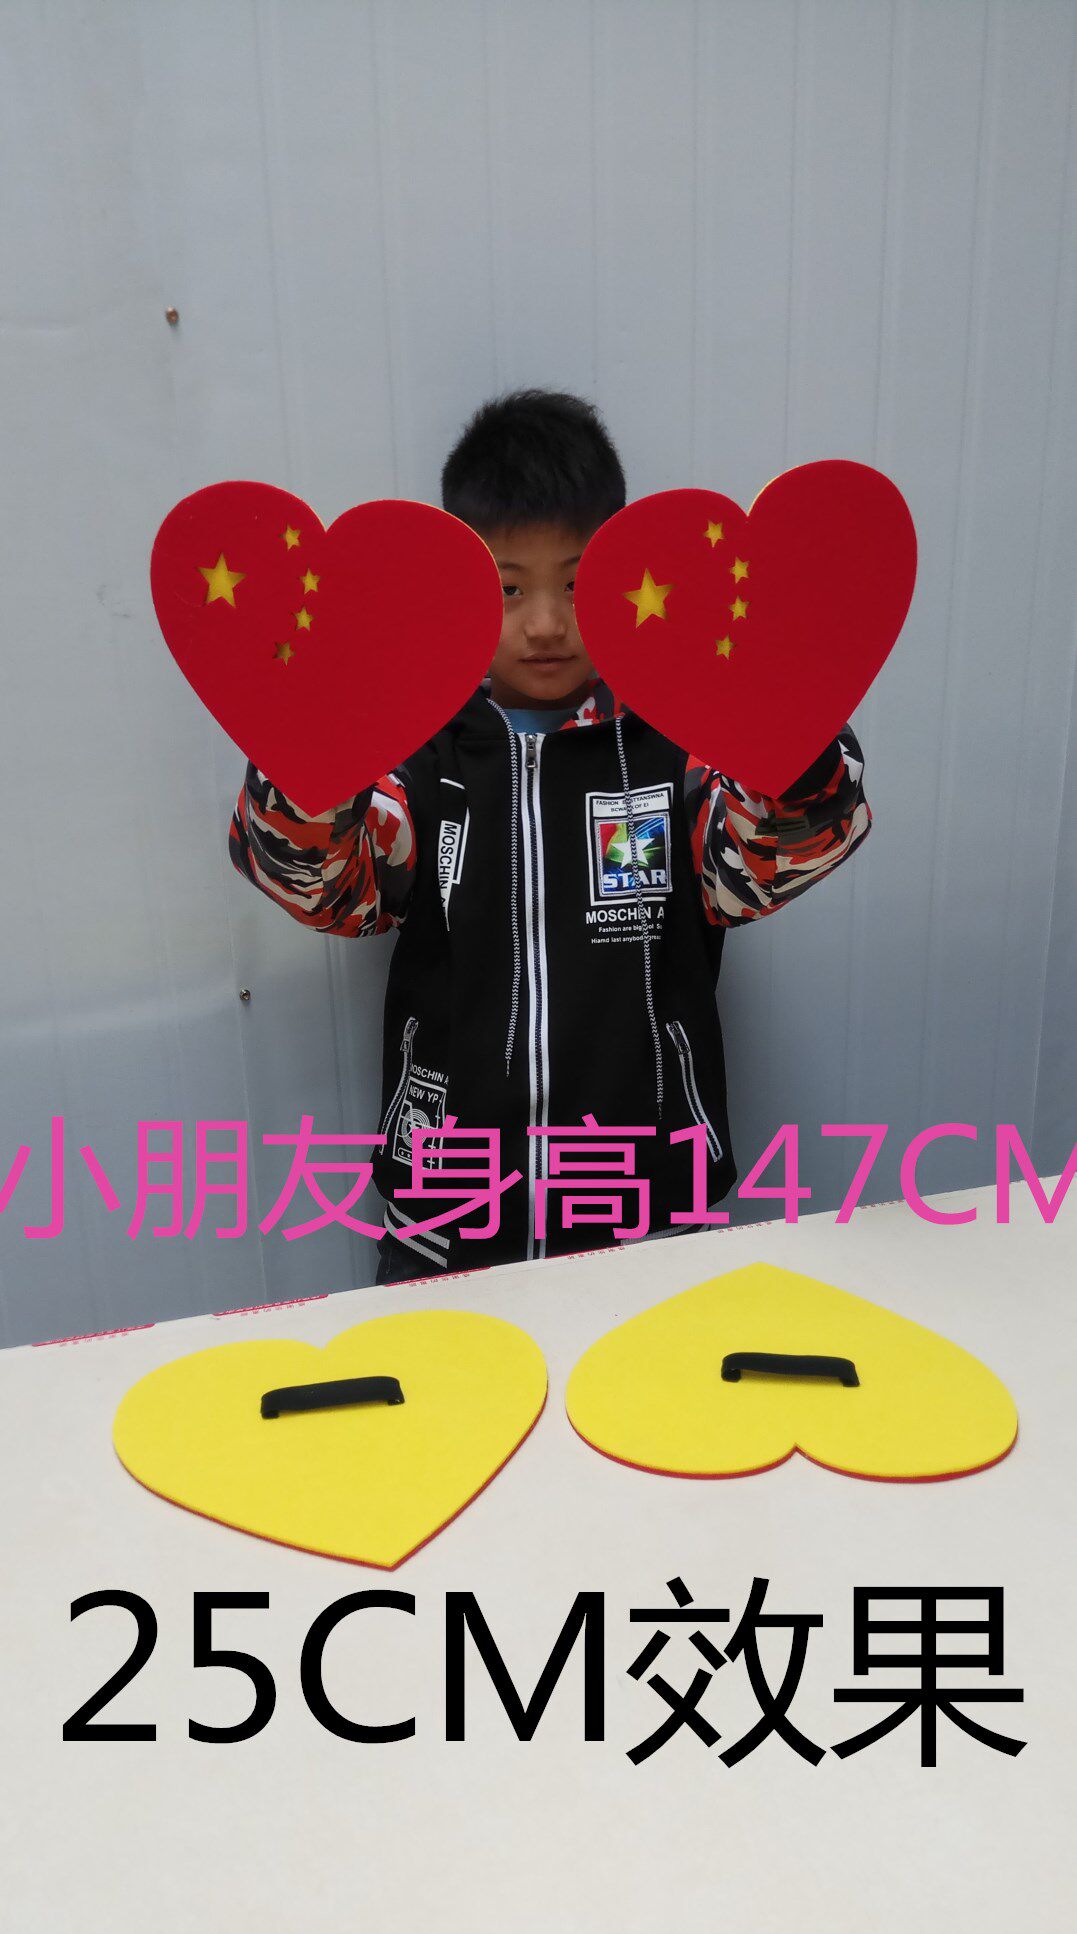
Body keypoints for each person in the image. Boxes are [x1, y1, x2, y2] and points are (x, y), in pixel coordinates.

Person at [229, 389, 870, 1281]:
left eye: (575, 583)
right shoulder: (418, 752)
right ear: (459, 588)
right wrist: (306, 756)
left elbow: (760, 862)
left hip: (647, 1217)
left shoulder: (676, 749)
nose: (543, 623)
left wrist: (789, 734)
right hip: (444, 1220)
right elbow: (337, 892)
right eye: (507, 588)